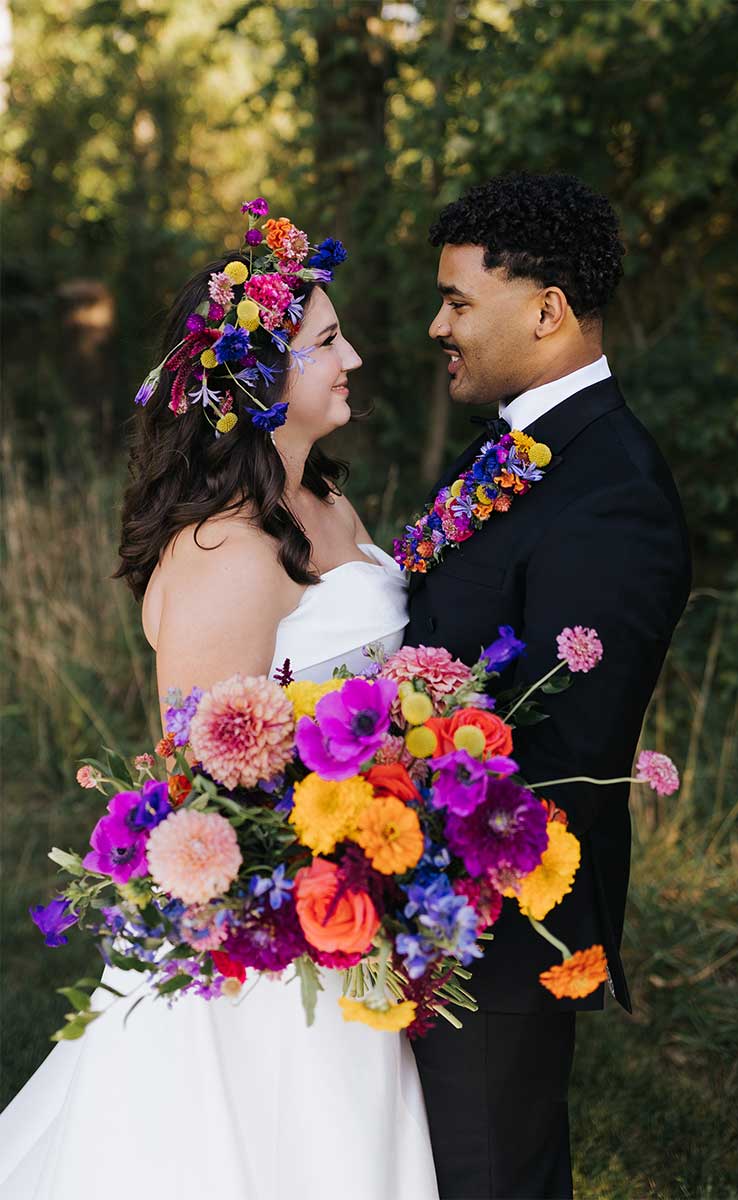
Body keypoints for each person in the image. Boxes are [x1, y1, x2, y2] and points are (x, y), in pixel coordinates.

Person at [0, 204, 438, 1200]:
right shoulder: (226, 556)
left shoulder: (326, 503)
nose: (355, 359)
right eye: (327, 342)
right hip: (268, 935)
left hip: (356, 884)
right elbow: (204, 787)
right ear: (261, 377)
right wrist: (343, 841)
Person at [403, 172, 691, 1199]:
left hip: (505, 922)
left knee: (493, 1177)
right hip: (431, 899)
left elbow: (565, 748)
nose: (437, 324)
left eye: (455, 302)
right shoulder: (520, 451)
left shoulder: (609, 492)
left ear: (544, 310)